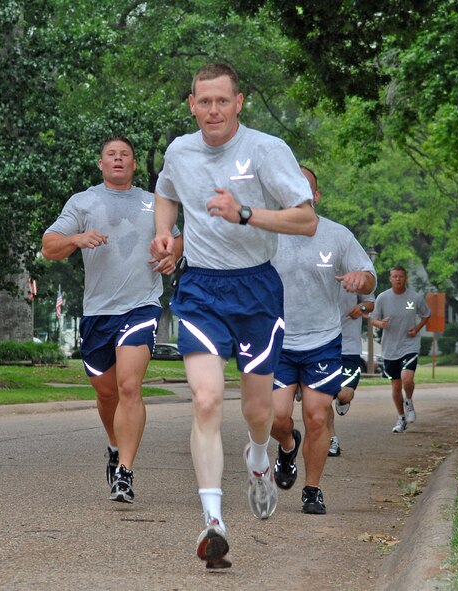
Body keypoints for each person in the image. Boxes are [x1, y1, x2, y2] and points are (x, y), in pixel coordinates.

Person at [149, 63, 319, 569]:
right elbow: (166, 189)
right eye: (205, 102)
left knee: (257, 412)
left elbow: (306, 220)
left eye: (223, 101)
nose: (213, 111)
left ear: (239, 102)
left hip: (257, 290)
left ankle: (260, 459)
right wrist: (164, 231)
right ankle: (213, 521)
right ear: (192, 103)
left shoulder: (266, 150)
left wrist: (246, 213)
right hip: (200, 287)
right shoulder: (180, 150)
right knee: (205, 401)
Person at [42, 134, 183, 504]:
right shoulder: (83, 202)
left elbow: (178, 241)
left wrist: (171, 256)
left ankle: (125, 471)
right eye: (111, 154)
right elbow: (48, 246)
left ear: (134, 165)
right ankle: (114, 445)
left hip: (141, 306)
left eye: (125, 155)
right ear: (101, 163)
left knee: (130, 386)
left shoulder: (154, 204)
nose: (118, 159)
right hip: (97, 313)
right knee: (107, 394)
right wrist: (77, 238)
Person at [269, 165, 376, 515]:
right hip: (278, 340)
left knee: (316, 417)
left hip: (322, 341)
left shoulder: (337, 235)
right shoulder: (266, 234)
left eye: (305, 188)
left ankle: (312, 489)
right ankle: (287, 447)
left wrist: (362, 280)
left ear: (316, 196)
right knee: (276, 418)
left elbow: (369, 276)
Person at [370, 267, 431, 433]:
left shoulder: (414, 298)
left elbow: (426, 314)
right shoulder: (383, 298)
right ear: (390, 279)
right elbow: (372, 319)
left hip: (409, 344)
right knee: (396, 387)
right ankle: (401, 418)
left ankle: (409, 401)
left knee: (407, 378)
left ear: (406, 278)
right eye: (395, 276)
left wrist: (417, 329)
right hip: (390, 348)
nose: (398, 279)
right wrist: (380, 324)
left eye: (401, 276)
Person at [329, 288, 375, 457]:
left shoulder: (355, 274)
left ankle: (340, 399)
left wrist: (362, 307)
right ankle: (331, 439)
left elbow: (371, 303)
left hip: (349, 348)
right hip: (322, 346)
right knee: (322, 398)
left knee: (344, 395)